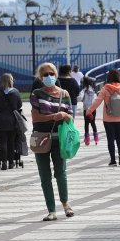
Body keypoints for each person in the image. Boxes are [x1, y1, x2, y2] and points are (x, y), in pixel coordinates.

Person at [30, 62, 74, 222]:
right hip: (41, 138)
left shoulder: (64, 94)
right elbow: (35, 117)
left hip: (59, 139)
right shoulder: (36, 94)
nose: (49, 77)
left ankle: (66, 204)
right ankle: (51, 210)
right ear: (41, 78)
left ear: (56, 75)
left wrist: (65, 115)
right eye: (45, 75)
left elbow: (71, 116)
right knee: (44, 175)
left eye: (51, 73)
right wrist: (53, 116)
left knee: (61, 173)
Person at [86, 69, 120, 166]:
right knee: (119, 138)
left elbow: (97, 101)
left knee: (110, 139)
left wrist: (89, 111)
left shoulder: (105, 89)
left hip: (108, 119)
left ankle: (113, 160)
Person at [0, 73, 22, 170]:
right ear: (11, 81)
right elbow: (19, 106)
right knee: (11, 142)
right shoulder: (16, 93)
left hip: (0, 121)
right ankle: (11, 162)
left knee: (2, 142)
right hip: (12, 121)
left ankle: (3, 162)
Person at [78, 76, 98, 145]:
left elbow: (80, 98)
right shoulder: (93, 90)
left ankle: (87, 139)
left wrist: (77, 99)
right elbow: (95, 99)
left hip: (86, 110)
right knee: (93, 123)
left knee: (86, 124)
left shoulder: (83, 91)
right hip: (93, 110)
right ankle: (96, 138)